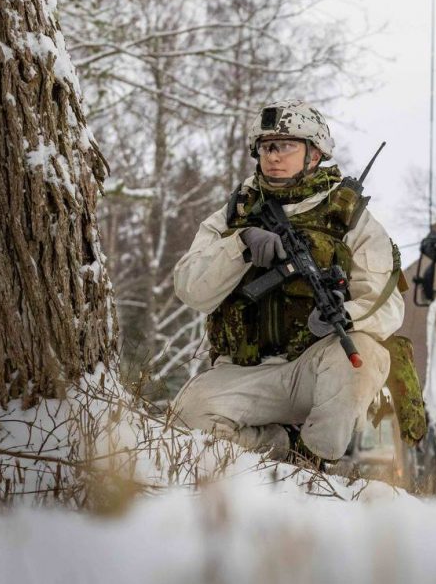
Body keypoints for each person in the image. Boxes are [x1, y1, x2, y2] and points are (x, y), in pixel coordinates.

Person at [170, 99, 404, 462]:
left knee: (365, 352)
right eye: (265, 147)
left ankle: (318, 460)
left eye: (285, 146)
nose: (273, 156)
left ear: (314, 154)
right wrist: (241, 244)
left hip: (313, 367)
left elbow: (387, 304)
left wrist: (345, 316)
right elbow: (190, 288)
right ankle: (286, 446)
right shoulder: (235, 212)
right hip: (243, 372)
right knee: (185, 417)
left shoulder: (351, 218)